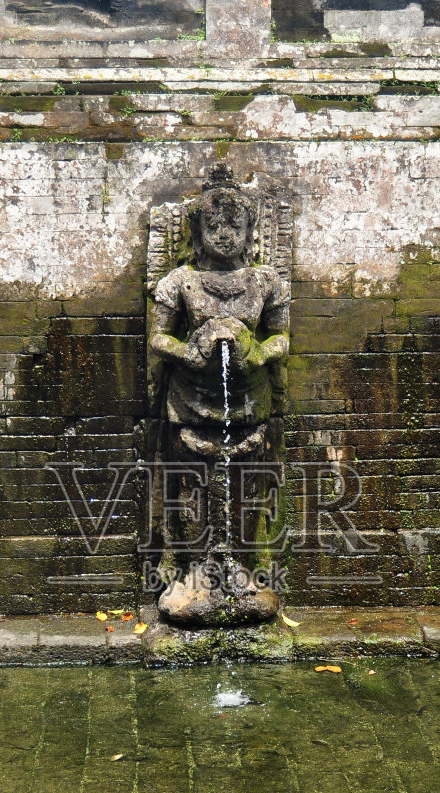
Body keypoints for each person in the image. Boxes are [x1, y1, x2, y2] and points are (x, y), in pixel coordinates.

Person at [147, 164, 290, 626]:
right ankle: (196, 570)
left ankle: (239, 566)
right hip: (190, 400)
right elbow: (158, 339)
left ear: (250, 231)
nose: (225, 236)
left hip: (247, 400)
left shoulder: (265, 281)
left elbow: (281, 338)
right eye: (214, 226)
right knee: (190, 484)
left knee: (246, 485)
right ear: (197, 231)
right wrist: (188, 352)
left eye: (235, 226)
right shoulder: (180, 283)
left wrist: (258, 352)